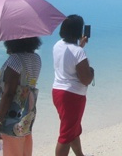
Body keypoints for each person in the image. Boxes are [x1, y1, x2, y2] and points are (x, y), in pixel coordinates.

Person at [0, 37, 42, 156]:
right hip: (26, 114)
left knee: (11, 150)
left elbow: (9, 93)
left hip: (10, 117)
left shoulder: (15, 60)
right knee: (24, 150)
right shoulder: (36, 59)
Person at [52, 15, 95, 156]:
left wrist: (80, 45)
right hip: (72, 96)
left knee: (72, 129)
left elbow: (68, 58)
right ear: (78, 31)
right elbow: (86, 80)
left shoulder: (57, 45)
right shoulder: (79, 52)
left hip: (58, 91)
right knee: (66, 134)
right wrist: (92, 72)